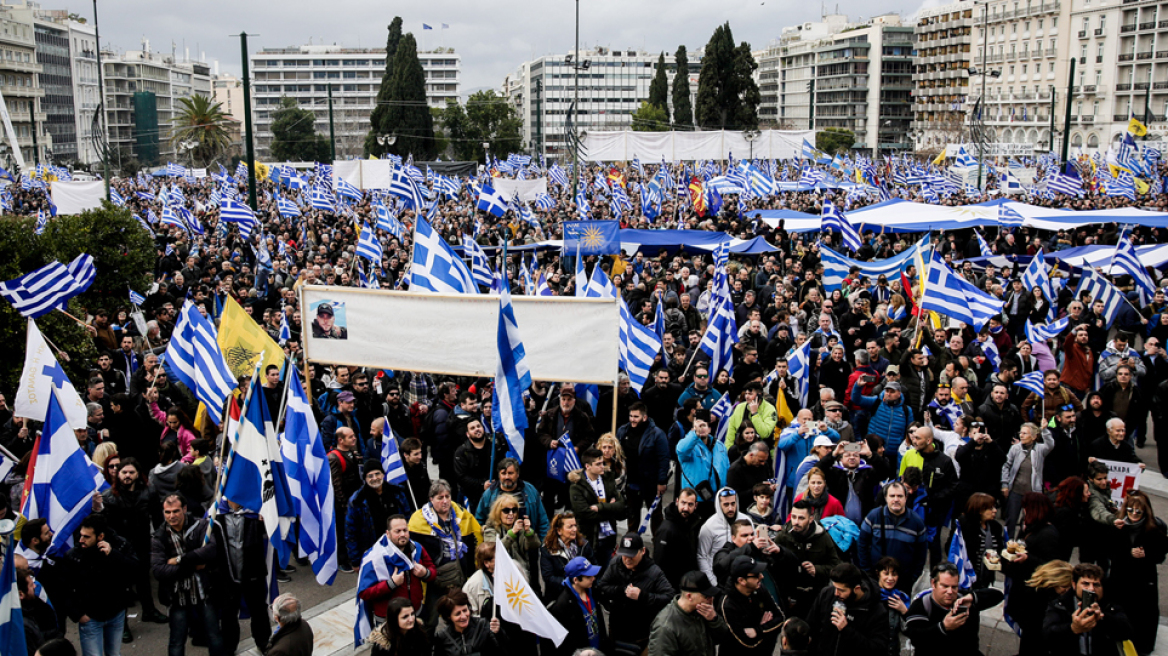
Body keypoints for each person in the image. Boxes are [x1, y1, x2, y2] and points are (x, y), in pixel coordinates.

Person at [151, 495, 225, 656]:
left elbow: (210, 551)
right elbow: (159, 570)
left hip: (204, 591)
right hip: (177, 597)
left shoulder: (201, 526)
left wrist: (179, 560)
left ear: (184, 509)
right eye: (167, 512)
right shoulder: (159, 536)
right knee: (176, 641)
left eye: (176, 511)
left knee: (214, 636)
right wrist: (192, 565)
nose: (172, 516)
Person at [59, 515, 136, 656]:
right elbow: (64, 589)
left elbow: (134, 571)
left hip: (116, 613)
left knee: (114, 653)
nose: (81, 540)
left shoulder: (120, 545)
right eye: (81, 535)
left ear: (100, 536)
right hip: (90, 618)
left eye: (86, 537)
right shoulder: (74, 556)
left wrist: (113, 555)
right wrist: (78, 614)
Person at [1001, 492, 1061, 656]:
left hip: (1034, 596)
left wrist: (1028, 558)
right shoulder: (1032, 527)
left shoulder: (1048, 534)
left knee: (1032, 634)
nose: (1024, 511)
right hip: (1025, 589)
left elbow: (1050, 565)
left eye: (1026, 508)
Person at [408, 481, 482, 614]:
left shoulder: (461, 515)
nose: (445, 501)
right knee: (431, 620)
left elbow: (475, 538)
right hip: (433, 582)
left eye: (447, 496)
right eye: (440, 498)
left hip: (459, 577)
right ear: (431, 499)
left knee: (460, 614)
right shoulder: (418, 521)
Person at [1107, 491, 1167, 654]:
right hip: (1121, 578)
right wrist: (1128, 553)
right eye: (1130, 510)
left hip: (1143, 581)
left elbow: (1161, 554)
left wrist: (1146, 554)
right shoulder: (1118, 527)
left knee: (1143, 616)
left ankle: (1142, 646)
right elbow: (1109, 551)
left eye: (1138, 511)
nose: (1134, 514)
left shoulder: (1154, 529)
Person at [903, 562, 1005, 656]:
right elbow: (916, 638)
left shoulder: (964, 600)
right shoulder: (921, 606)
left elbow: (998, 596)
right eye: (945, 586)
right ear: (933, 583)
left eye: (954, 587)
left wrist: (973, 597)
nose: (950, 592)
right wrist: (943, 627)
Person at [595, 533, 675, 652]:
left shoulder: (654, 572)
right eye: (624, 555)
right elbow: (602, 587)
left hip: (641, 634)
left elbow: (669, 597)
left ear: (642, 551)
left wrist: (642, 596)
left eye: (631, 555)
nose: (627, 559)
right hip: (616, 630)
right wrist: (621, 590)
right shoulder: (615, 564)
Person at [1042, 563, 1134, 656]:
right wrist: (1072, 628)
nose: (1091, 589)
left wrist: (1103, 618)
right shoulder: (1059, 605)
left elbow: (1127, 631)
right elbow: (1047, 636)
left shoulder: (1110, 605)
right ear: (1074, 585)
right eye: (1085, 584)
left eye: (1096, 585)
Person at [772, 499, 842, 618]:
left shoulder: (823, 538)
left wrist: (817, 570)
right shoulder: (783, 537)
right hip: (790, 596)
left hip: (816, 595)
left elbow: (836, 566)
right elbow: (773, 568)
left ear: (810, 519)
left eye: (801, 518)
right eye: (793, 517)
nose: (796, 522)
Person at [358, 515, 437, 620]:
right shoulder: (374, 557)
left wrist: (425, 573)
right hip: (389, 620)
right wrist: (391, 584)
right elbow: (364, 593)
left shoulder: (417, 548)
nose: (402, 534)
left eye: (405, 530)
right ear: (388, 533)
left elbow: (432, 570)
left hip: (415, 614)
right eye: (397, 531)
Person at [856, 481, 927, 591]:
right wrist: (867, 571)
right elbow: (862, 544)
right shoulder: (873, 517)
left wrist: (913, 577)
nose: (896, 499)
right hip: (876, 580)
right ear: (886, 497)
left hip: (903, 582)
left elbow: (921, 553)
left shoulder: (917, 522)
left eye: (900, 496)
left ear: (906, 497)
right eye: (892, 496)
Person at [806, 563, 889, 656]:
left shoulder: (876, 611)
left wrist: (847, 631)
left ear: (856, 589)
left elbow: (878, 648)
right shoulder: (826, 594)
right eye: (835, 587)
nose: (836, 593)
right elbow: (811, 626)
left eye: (841, 590)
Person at [615, 402, 670, 536]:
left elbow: (664, 459)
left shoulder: (657, 434)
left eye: (636, 416)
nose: (632, 419)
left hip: (651, 482)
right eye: (631, 416)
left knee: (656, 516)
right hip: (631, 482)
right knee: (632, 515)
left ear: (644, 417)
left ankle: (657, 544)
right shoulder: (623, 430)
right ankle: (631, 542)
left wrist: (662, 482)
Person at [346, 459, 412, 568]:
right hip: (373, 552)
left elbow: (408, 518)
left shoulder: (397, 492)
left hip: (399, 548)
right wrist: (355, 561)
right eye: (370, 476)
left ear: (383, 474)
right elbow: (351, 533)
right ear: (365, 478)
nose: (374, 478)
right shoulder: (357, 500)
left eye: (377, 474)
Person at [646, 571, 729, 656]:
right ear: (689, 596)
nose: (711, 599)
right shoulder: (665, 626)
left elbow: (724, 639)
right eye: (706, 596)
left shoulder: (703, 612)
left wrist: (714, 620)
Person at [716, 555, 784, 656]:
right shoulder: (728, 605)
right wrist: (766, 630)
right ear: (741, 581)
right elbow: (745, 643)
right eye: (756, 575)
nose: (762, 576)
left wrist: (758, 630)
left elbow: (780, 618)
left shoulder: (759, 589)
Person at [568, 448, 625, 567]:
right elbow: (583, 513)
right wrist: (611, 508)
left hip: (608, 538)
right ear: (588, 466)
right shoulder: (577, 486)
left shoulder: (608, 480)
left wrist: (601, 507)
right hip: (589, 538)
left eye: (602, 463)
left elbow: (621, 505)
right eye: (598, 464)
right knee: (589, 575)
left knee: (606, 576)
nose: (602, 466)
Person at [475, 458, 550, 540]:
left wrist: (544, 545)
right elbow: (479, 521)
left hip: (525, 545)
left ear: (517, 474)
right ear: (499, 475)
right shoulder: (489, 494)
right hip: (499, 545)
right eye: (503, 473)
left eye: (510, 473)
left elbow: (543, 521)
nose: (507, 477)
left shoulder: (530, 490)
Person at [546, 556, 608, 656]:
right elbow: (564, 642)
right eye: (588, 577)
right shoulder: (562, 605)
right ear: (576, 580)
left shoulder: (592, 591)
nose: (593, 578)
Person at [1001, 422, 1054, 536]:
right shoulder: (1015, 448)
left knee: (1029, 521)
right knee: (1011, 520)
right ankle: (1007, 544)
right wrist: (1005, 484)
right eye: (1021, 433)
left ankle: (1023, 543)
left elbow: (1050, 445)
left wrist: (1045, 430)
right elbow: (1006, 466)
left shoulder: (1040, 449)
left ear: (1034, 436)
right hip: (1015, 490)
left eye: (1025, 433)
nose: (1021, 435)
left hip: (1032, 492)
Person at [677, 410, 729, 519]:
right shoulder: (689, 444)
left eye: (704, 425)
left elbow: (726, 469)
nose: (702, 428)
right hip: (696, 500)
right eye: (699, 425)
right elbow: (681, 451)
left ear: (710, 429)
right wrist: (694, 434)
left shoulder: (720, 446)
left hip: (716, 500)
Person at [481, 494, 540, 583]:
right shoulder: (490, 529)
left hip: (521, 573)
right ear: (498, 512)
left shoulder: (520, 527)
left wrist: (529, 532)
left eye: (514, 510)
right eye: (506, 511)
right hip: (499, 576)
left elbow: (534, 546)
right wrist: (511, 534)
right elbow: (493, 552)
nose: (511, 514)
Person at [696, 487, 748, 586]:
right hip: (719, 581)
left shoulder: (746, 521)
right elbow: (702, 556)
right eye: (726, 504)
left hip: (743, 580)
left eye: (733, 503)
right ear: (719, 505)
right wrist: (713, 582)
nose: (730, 508)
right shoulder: (709, 527)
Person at [652, 488, 702, 588]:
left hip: (687, 582)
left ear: (695, 505)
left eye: (690, 504)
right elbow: (659, 562)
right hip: (672, 585)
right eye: (683, 503)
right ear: (677, 501)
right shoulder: (667, 529)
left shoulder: (693, 524)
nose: (686, 508)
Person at [329, 426, 363, 572]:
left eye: (354, 435)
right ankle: (342, 560)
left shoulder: (350, 453)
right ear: (340, 440)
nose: (354, 438)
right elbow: (336, 485)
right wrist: (344, 505)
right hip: (343, 502)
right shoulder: (333, 458)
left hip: (353, 498)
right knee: (342, 531)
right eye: (350, 437)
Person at [433, 591, 506, 656]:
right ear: (449, 616)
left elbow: (503, 650)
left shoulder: (483, 625)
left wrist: (498, 633)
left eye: (465, 610)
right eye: (458, 614)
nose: (463, 616)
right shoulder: (442, 636)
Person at [540, 512, 596, 596]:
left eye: (575, 525)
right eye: (570, 526)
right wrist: (572, 583)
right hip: (559, 595)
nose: (574, 529)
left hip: (584, 592)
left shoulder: (584, 545)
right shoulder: (547, 549)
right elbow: (548, 578)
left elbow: (593, 565)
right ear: (559, 530)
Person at [873, 557, 909, 656]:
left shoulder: (901, 598)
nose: (890, 578)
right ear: (878, 573)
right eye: (886, 573)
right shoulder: (871, 596)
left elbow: (909, 631)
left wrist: (904, 611)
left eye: (894, 574)